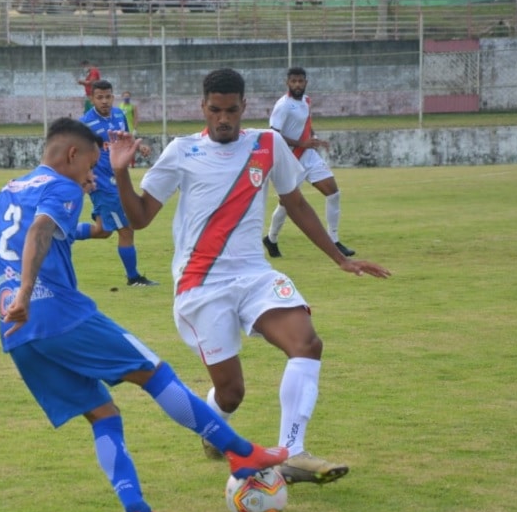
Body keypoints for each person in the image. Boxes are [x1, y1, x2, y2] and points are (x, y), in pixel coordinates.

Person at [0, 117, 288, 512]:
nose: (90, 176)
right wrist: (26, 291)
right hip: (57, 315)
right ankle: (242, 453)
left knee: (104, 415)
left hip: (18, 333)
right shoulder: (61, 186)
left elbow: (46, 232)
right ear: (72, 155)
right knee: (154, 373)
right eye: (90, 166)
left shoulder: (10, 191)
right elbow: (41, 231)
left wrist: (97, 219)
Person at [108, 68, 391, 485]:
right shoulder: (182, 151)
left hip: (254, 276)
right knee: (231, 393)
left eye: (232, 110)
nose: (224, 119)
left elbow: (296, 204)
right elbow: (141, 218)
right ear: (203, 108)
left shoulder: (267, 143)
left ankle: (292, 453)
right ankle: (215, 425)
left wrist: (340, 259)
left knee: (307, 342)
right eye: (216, 110)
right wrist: (120, 173)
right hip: (201, 285)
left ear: (244, 108)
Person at [263, 66, 356, 259]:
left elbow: (305, 122)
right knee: (287, 204)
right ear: (287, 83)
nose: (297, 84)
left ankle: (334, 240)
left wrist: (314, 138)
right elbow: (273, 134)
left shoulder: (305, 101)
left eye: (301, 81)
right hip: (290, 159)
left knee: (333, 191)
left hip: (308, 155)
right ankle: (271, 238)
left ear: (306, 82)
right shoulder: (283, 105)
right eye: (293, 81)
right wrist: (301, 143)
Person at [77, 79, 157, 287]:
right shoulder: (85, 123)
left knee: (103, 230)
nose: (104, 101)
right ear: (91, 99)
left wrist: (139, 148)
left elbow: (125, 138)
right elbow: (77, 153)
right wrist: (85, 176)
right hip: (102, 184)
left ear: (113, 97)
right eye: (99, 97)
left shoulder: (120, 115)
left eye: (108, 96)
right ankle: (133, 278)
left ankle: (60, 232)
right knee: (126, 229)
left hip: (119, 180)